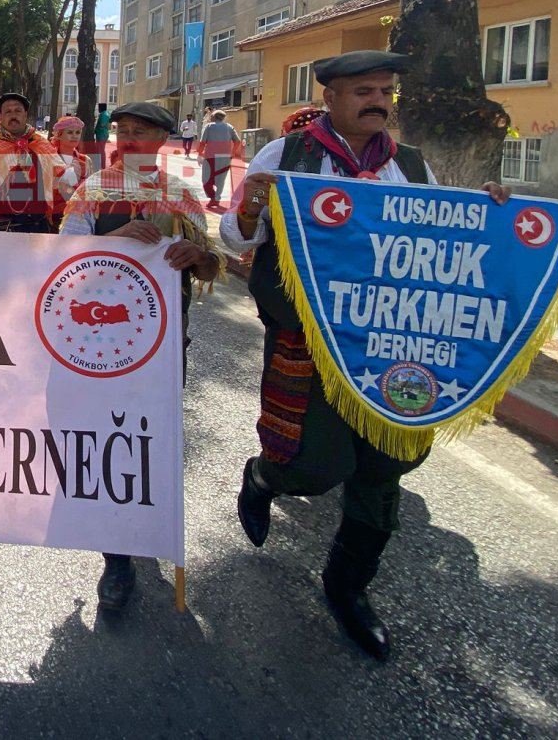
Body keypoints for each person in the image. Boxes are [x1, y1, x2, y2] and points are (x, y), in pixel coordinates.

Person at [221, 51, 510, 660]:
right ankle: (263, 477)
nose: (378, 101)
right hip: (309, 341)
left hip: (392, 347)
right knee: (313, 466)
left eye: (384, 91)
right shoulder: (287, 156)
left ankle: (348, 588)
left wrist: (487, 214)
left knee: (385, 469)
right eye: (363, 91)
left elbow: (443, 237)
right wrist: (251, 204)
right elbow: (236, 238)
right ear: (330, 98)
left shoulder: (411, 166)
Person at [61, 101, 222, 611]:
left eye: (142, 132)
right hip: (99, 341)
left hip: (163, 341)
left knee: (152, 439)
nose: (129, 139)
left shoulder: (181, 194)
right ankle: (117, 557)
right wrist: (114, 239)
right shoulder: (93, 190)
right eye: (122, 130)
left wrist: (199, 256)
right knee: (110, 439)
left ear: (162, 141)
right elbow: (60, 258)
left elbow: (213, 267)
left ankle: (149, 526)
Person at [0, 92, 73, 233]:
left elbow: (61, 181)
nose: (13, 115)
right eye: (8, 111)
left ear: (25, 115)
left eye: (18, 111)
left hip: (40, 225)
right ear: (0, 117)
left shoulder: (41, 144)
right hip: (2, 226)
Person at [198, 109, 244, 210]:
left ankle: (213, 197)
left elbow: (202, 142)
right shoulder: (229, 127)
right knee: (220, 180)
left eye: (211, 116)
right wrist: (232, 152)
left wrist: (199, 154)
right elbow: (237, 141)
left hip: (210, 157)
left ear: (214, 117)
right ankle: (216, 198)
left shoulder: (209, 126)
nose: (210, 118)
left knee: (206, 180)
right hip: (225, 157)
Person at [92, 102, 111, 167]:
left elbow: (102, 124)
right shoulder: (104, 113)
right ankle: (100, 164)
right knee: (99, 149)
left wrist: (96, 130)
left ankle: (102, 165)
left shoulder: (104, 115)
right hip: (101, 134)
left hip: (102, 134)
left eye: (99, 108)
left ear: (101, 108)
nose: (98, 109)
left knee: (101, 150)